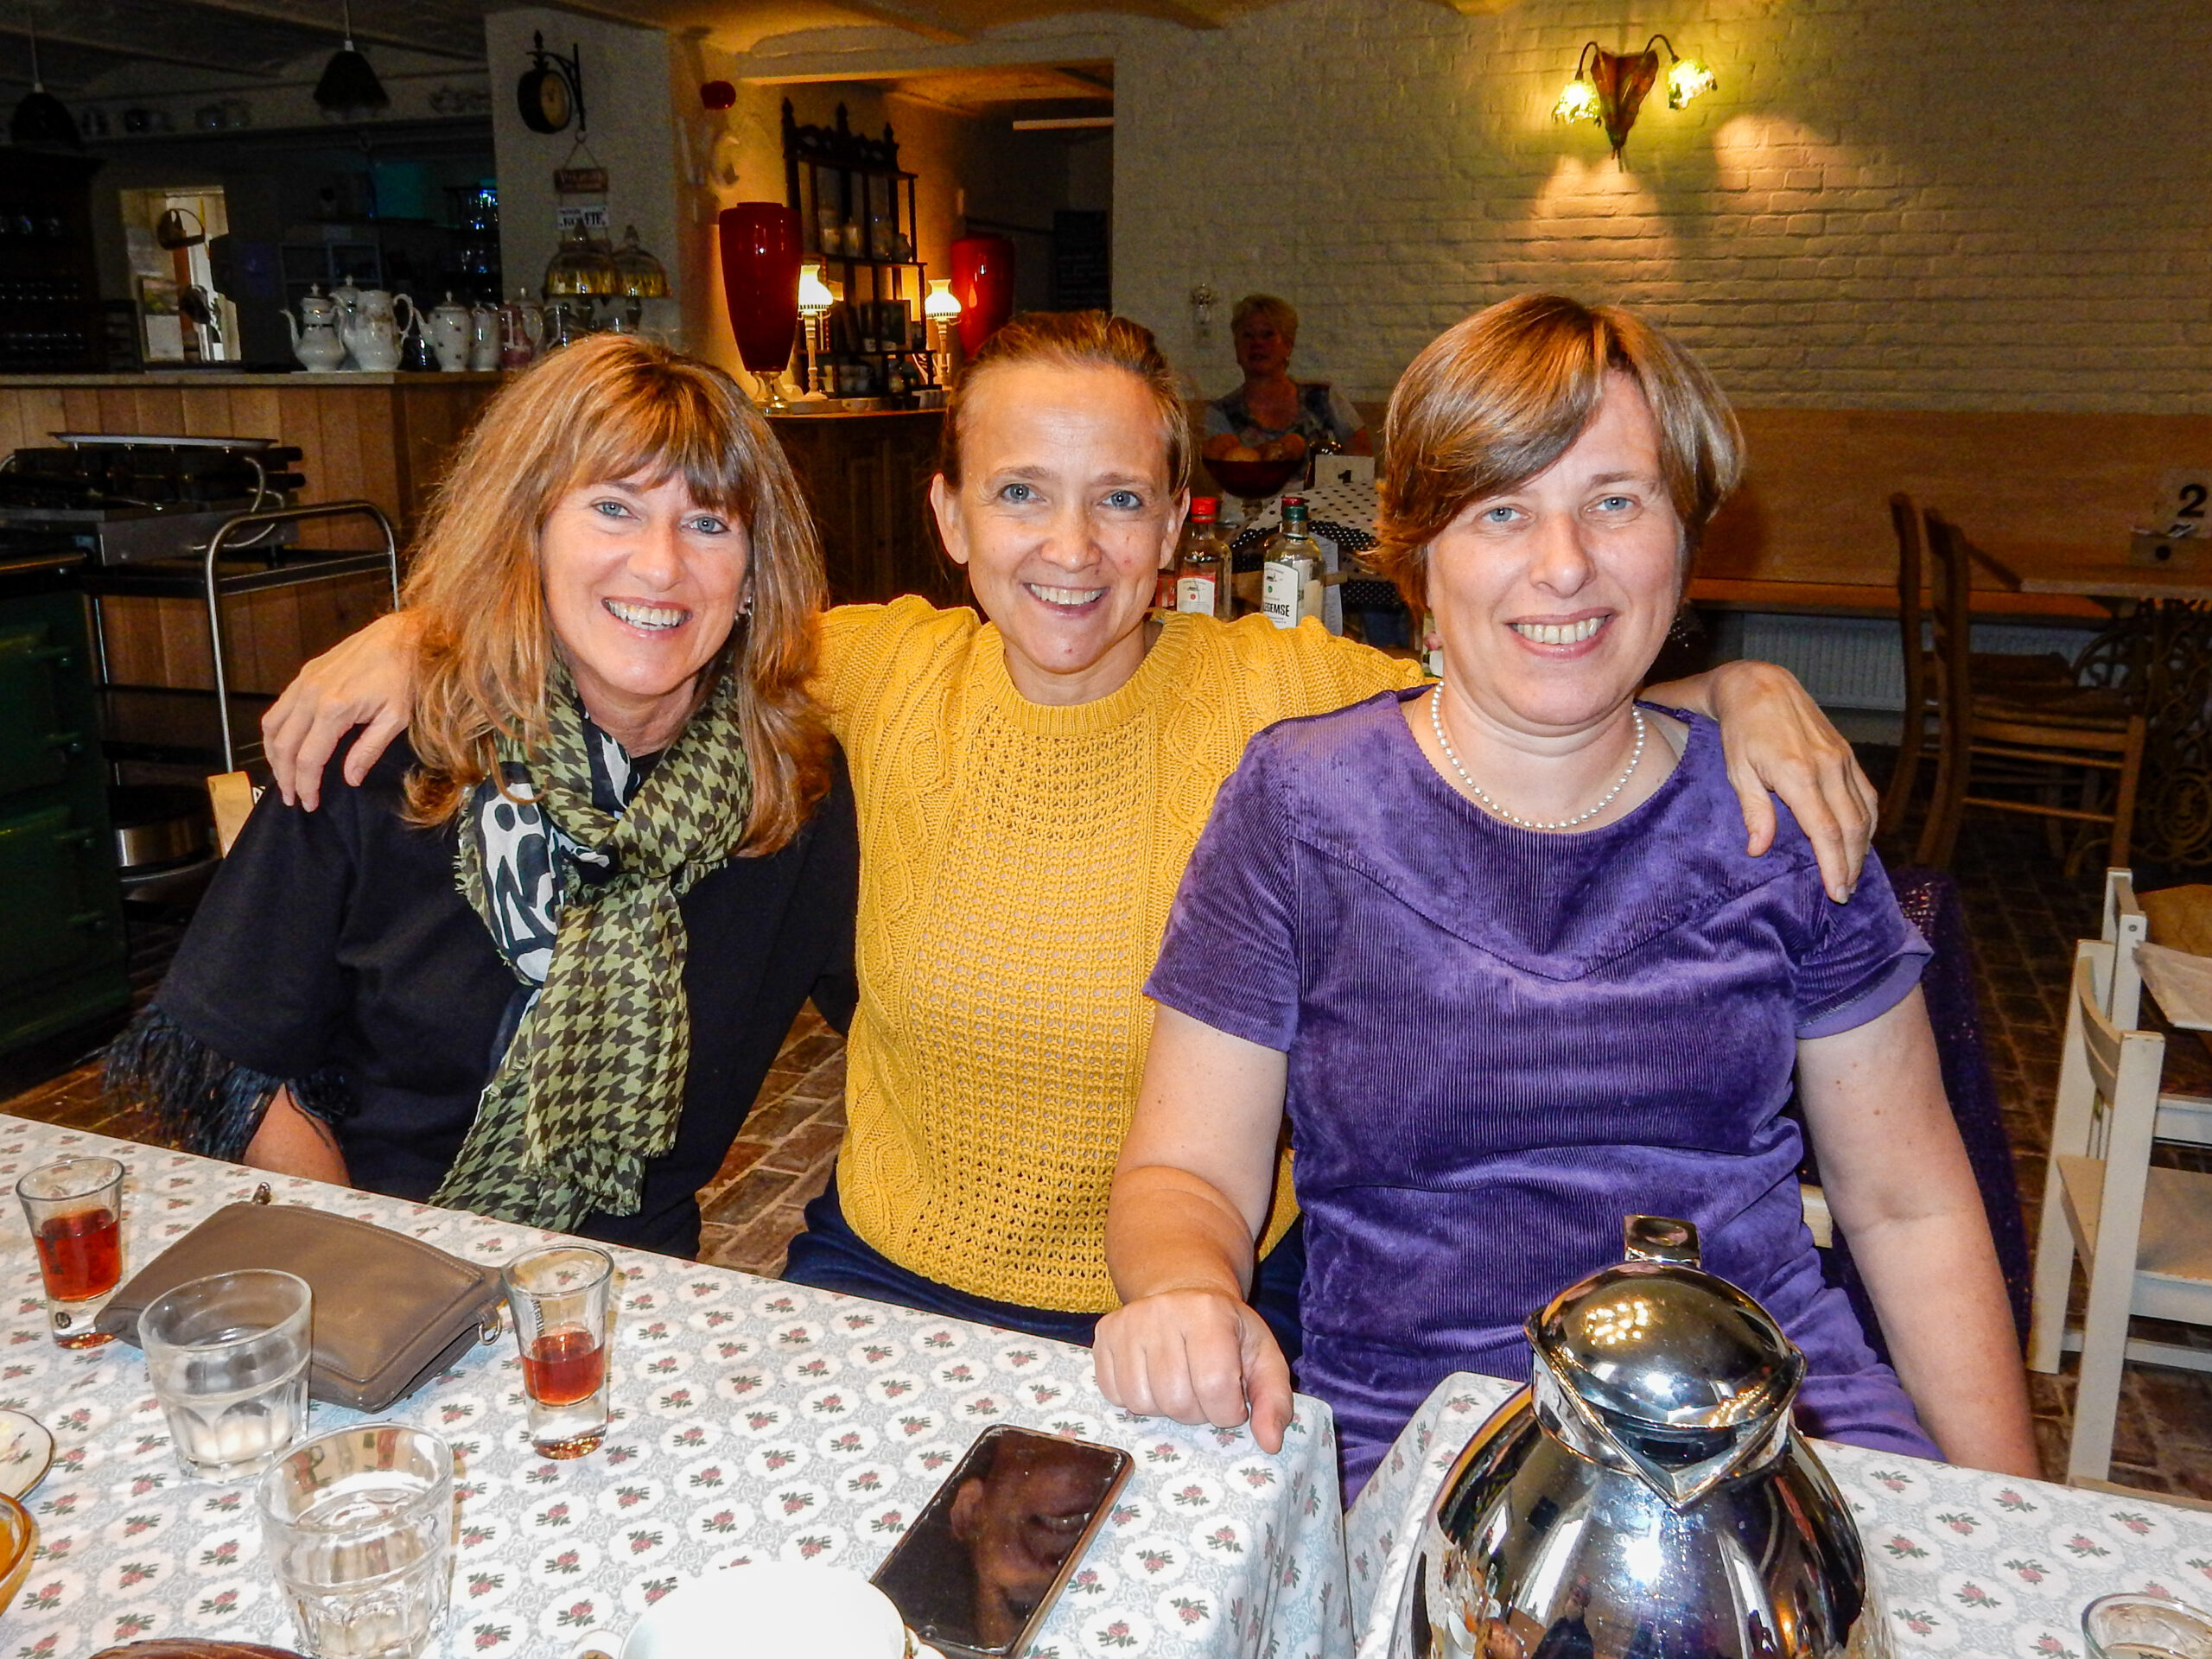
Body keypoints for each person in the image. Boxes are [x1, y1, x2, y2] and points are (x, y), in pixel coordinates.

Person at [252, 311, 1878, 1351]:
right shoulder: (870, 669)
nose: (1073, 550)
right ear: (951, 516)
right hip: (886, 1277)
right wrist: (423, 634)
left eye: (1120, 499)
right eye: (1022, 493)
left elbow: (1538, 676)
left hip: (1214, 1296)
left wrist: (1733, 692)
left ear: (1177, 525)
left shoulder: (1282, 696)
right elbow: (647, 611)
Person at [1093, 295, 2038, 1496]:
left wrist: (2010, 1516)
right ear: (1419, 557)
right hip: (1426, 1428)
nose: (1564, 564)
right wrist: (1185, 1290)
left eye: (1616, 501)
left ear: (1683, 537)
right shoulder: (1302, 807)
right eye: (1501, 510)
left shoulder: (1780, 804)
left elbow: (1907, 1207)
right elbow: (1186, 1174)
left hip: (1772, 1417)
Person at [103, 336, 859, 1257]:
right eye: (613, 509)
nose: (661, 567)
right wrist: (367, 1268)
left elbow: (903, 1015)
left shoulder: (795, 792)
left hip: (634, 1278)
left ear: (753, 574)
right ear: (527, 535)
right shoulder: (386, 748)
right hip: (376, 1245)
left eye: (709, 524)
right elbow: (239, 1056)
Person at [1202, 293, 1371, 464]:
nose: (1257, 343)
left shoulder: (1324, 398)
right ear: (1237, 347)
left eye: (1268, 334)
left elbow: (1362, 459)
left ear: (1288, 346)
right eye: (1248, 335)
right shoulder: (1221, 413)